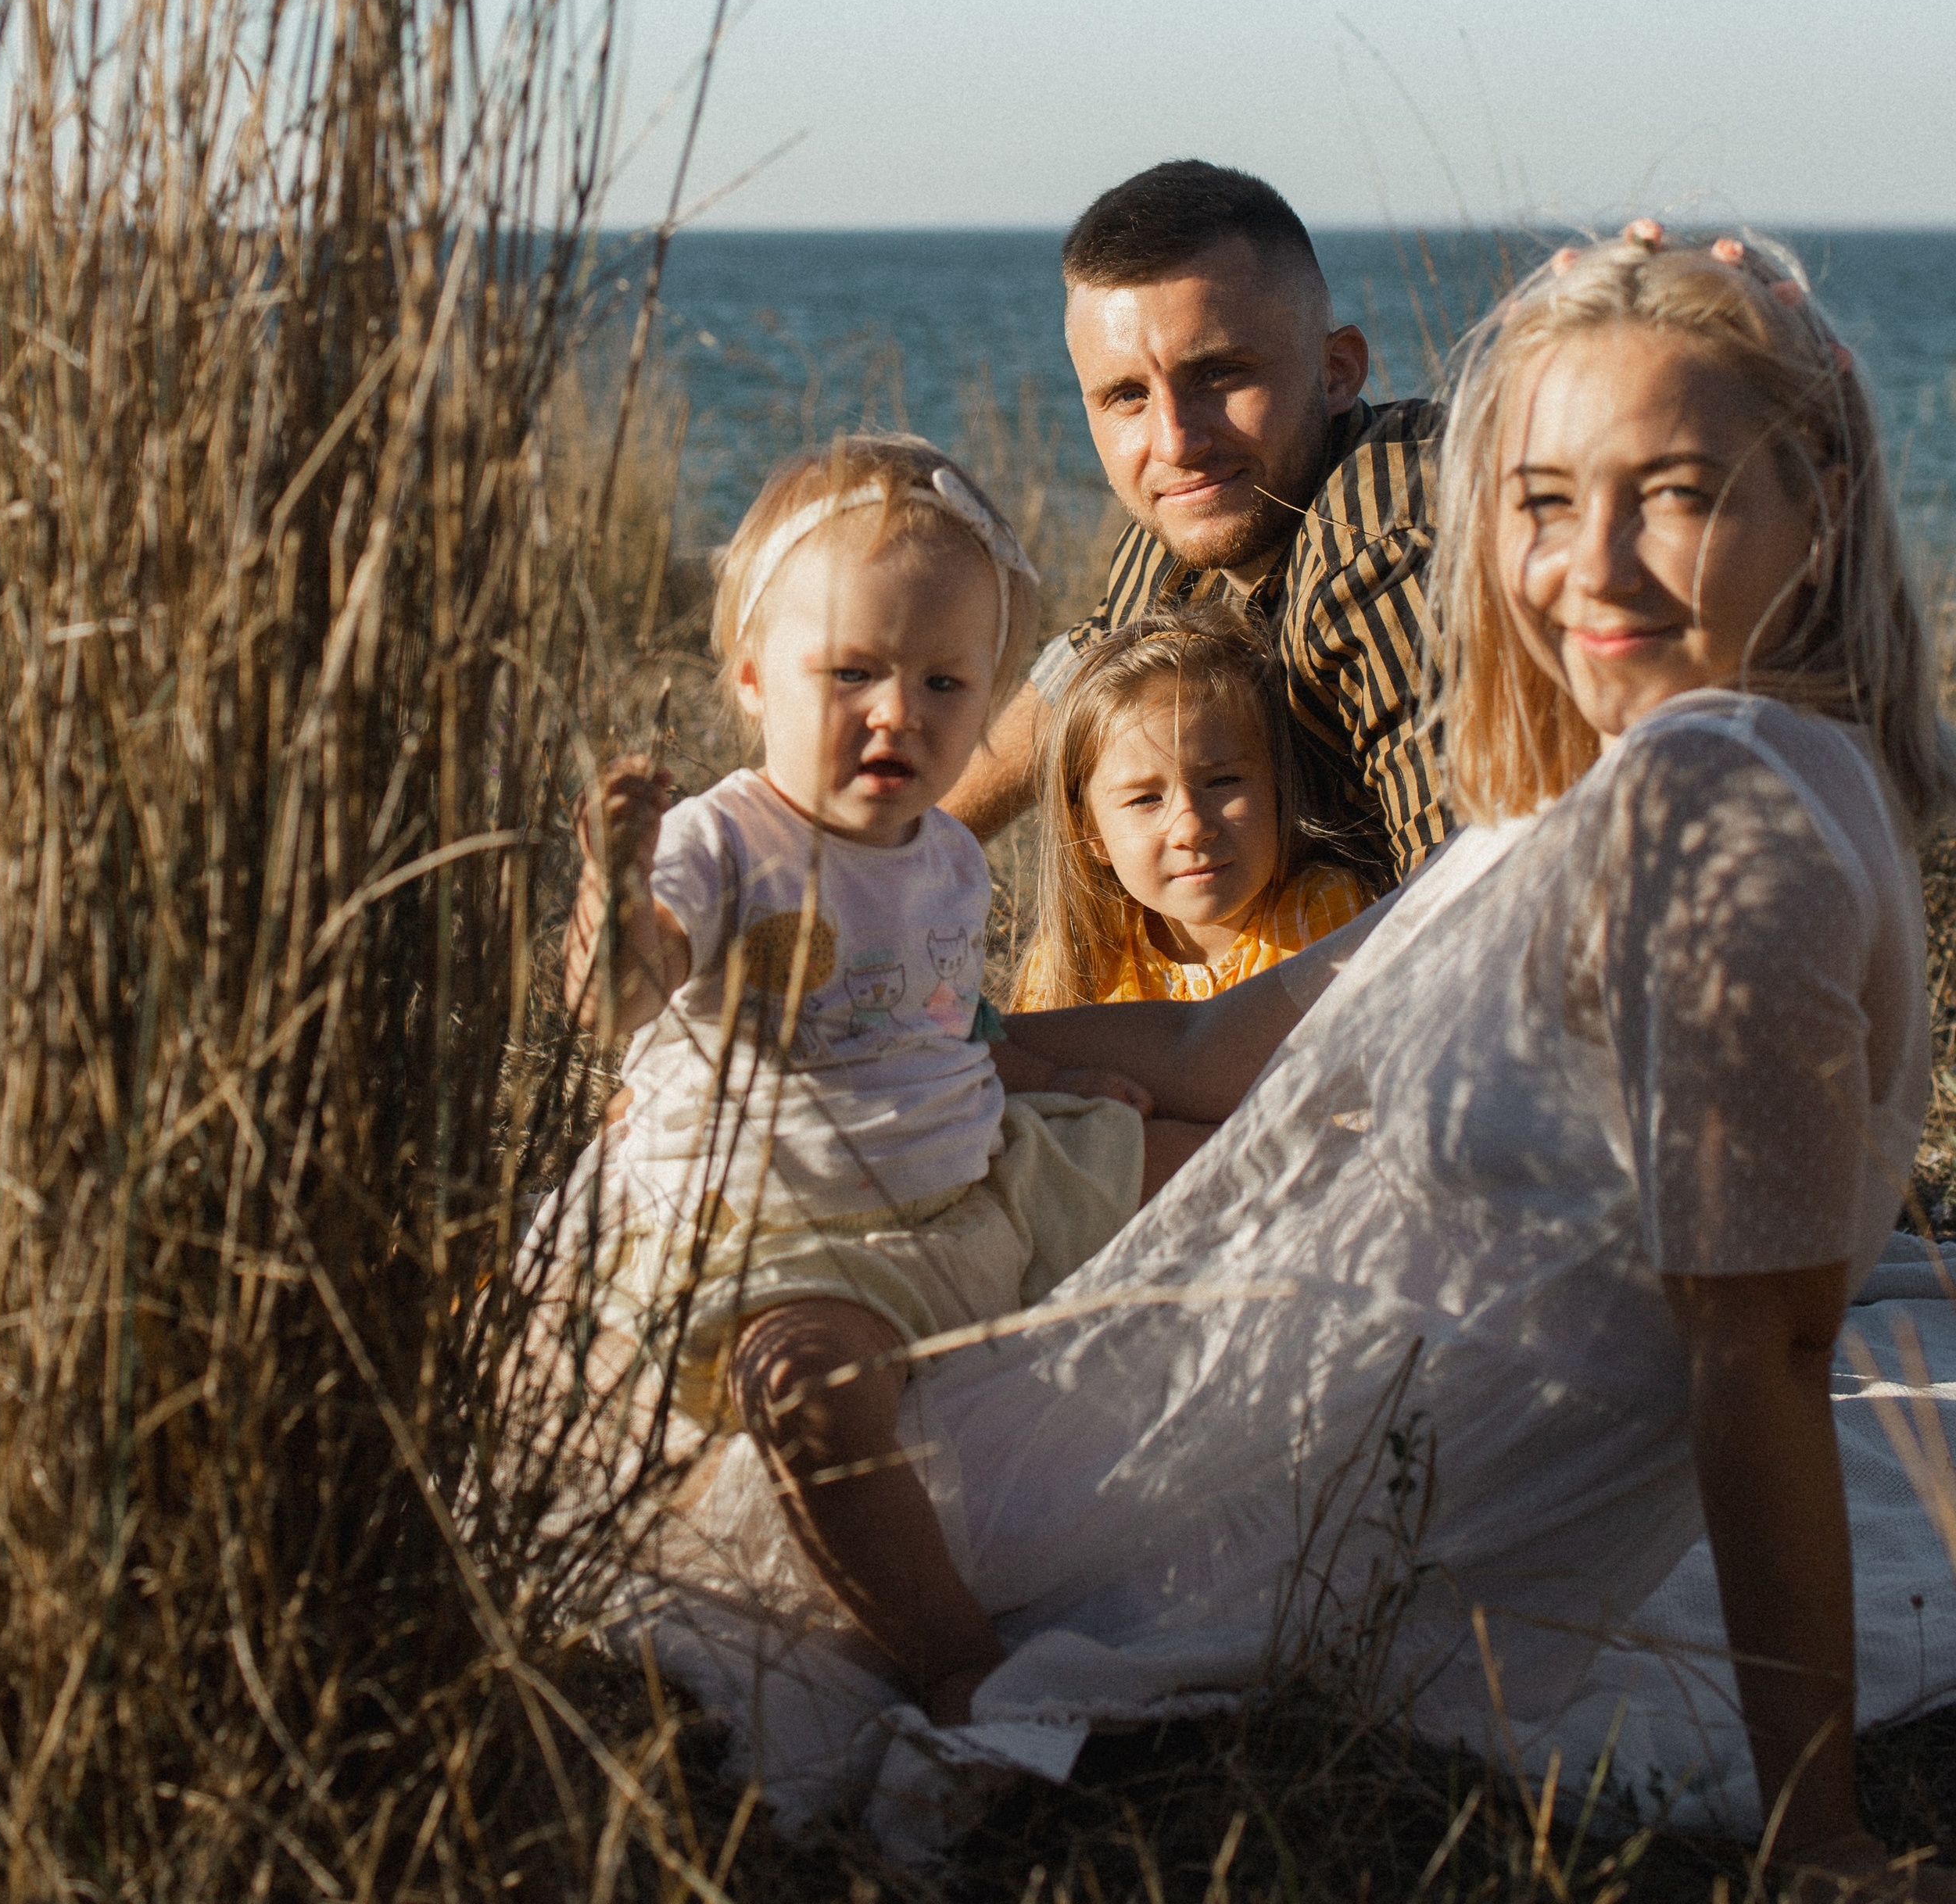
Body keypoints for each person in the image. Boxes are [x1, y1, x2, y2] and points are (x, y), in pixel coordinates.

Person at [836, 226, 1952, 1896]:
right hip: (1278, 1416)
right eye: (1541, 500)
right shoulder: (1611, 781)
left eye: (1674, 492)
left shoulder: (1721, 806)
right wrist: (896, 1046)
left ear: (1820, 496)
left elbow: (1762, 1356)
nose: (1593, 571)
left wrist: (1820, 1841)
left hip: (1368, 1525)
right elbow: (1233, 1039)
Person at [535, 435, 1205, 1730]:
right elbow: (615, 1000)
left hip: (966, 1184)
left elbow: (945, 1031)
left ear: (994, 698)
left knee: (1213, 1162)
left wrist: (1066, 1079)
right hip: (788, 1241)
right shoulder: (722, 841)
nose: (898, 712)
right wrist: (610, 896)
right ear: (749, 678)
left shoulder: (947, 854)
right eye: (850, 673)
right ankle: (950, 1654)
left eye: (946, 681)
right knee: (804, 1391)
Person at [943, 159, 1448, 893]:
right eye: (1126, 396)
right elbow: (1082, 667)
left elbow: (1468, 908)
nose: (1176, 441)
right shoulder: (1192, 524)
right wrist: (885, 857)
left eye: (1220, 374)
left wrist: (1188, 1020)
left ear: (1337, 370)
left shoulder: (1383, 548)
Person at [1012, 601, 1369, 1008]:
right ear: (1090, 832)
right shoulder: (1078, 957)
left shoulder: (1324, 914)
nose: (1192, 828)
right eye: (1145, 799)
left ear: (1279, 785)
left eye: (1223, 781)